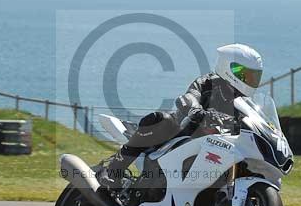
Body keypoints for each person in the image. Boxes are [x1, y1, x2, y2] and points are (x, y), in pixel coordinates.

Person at [97, 43, 264, 189]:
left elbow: (254, 121)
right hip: (182, 135)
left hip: (217, 147)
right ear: (227, 66)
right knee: (162, 120)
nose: (248, 80)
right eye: (244, 74)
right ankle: (112, 169)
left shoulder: (245, 103)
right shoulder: (208, 83)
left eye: (253, 76)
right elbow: (190, 96)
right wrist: (195, 110)